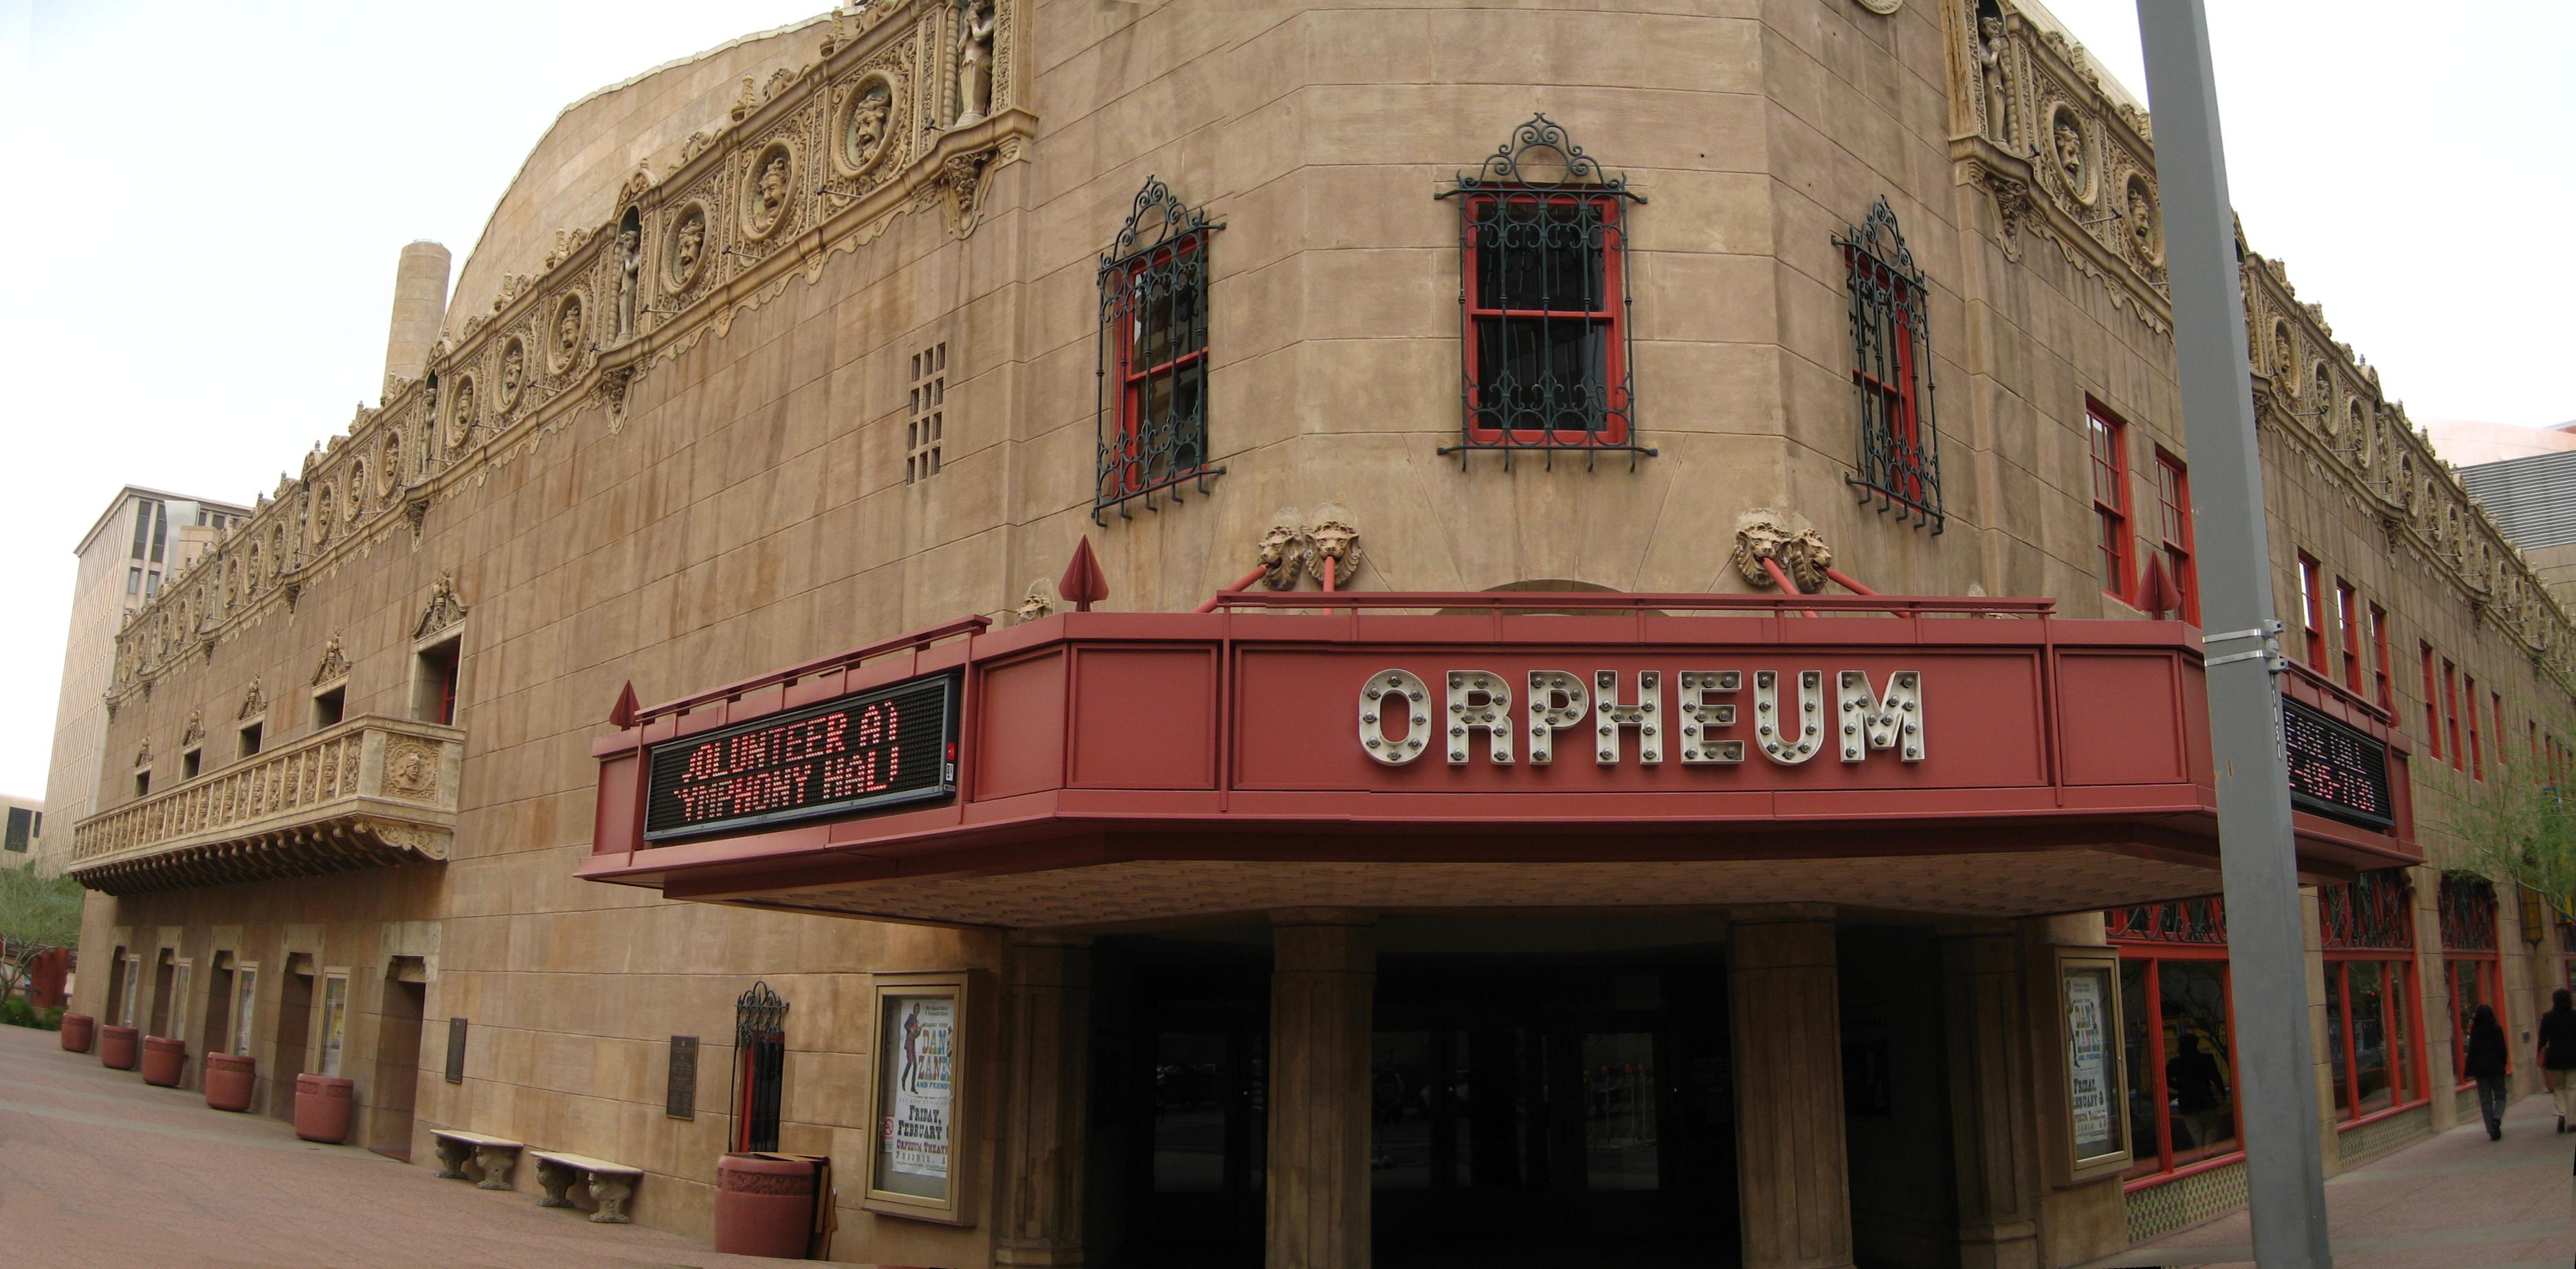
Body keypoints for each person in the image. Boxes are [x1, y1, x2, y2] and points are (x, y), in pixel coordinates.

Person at [2465, 1002, 2509, 1141]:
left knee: (2486, 1100)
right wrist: (2503, 1064)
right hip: (2496, 1068)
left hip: (2481, 1071)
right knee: (2501, 1096)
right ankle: (2497, 1118)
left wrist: (2467, 1071)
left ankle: (2491, 1129)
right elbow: (2502, 1050)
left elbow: (2471, 1053)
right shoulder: (2497, 1030)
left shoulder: (2475, 1033)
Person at [2538, 987, 2576, 1132]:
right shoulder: (2575, 1016)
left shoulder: (2547, 1017)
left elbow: (2542, 1039)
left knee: (2559, 1087)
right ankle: (2573, 1121)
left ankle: (2561, 1113)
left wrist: (2539, 1054)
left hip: (2555, 1058)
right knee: (2572, 1088)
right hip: (2573, 1058)